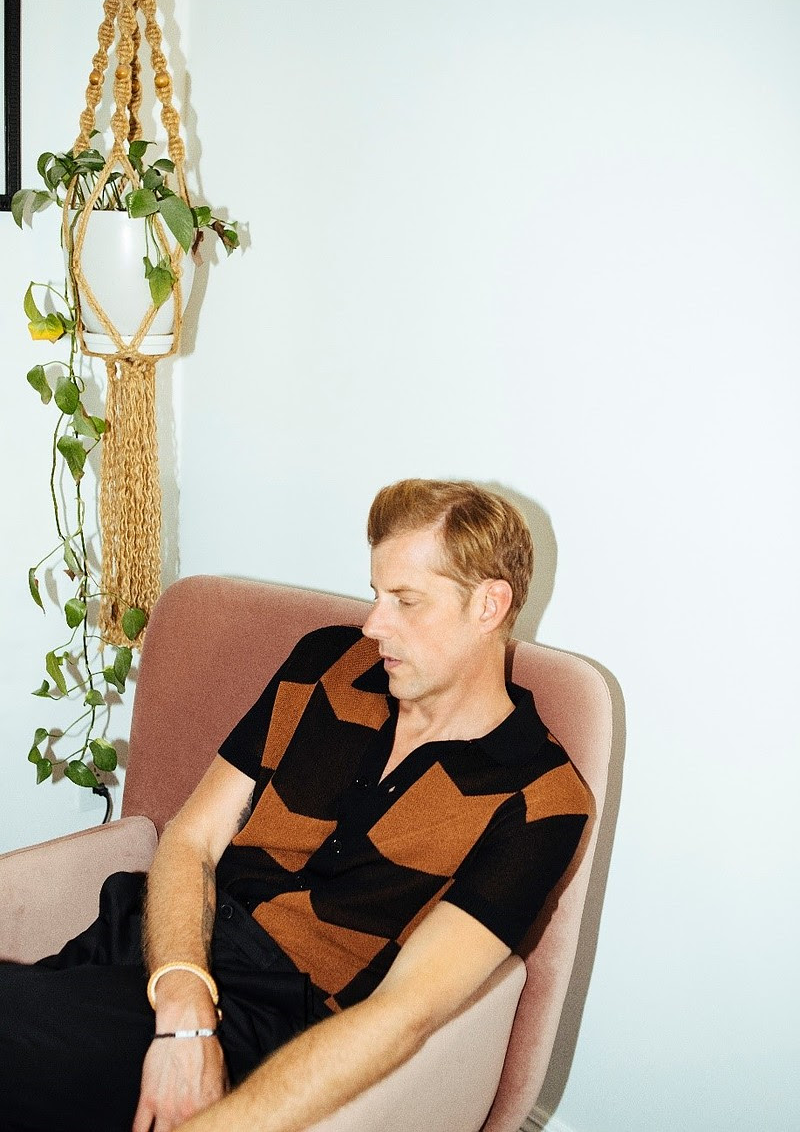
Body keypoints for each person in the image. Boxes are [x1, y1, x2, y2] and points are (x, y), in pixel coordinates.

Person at [0, 479, 591, 1132]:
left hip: (269, 1016)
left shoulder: (541, 799)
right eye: (375, 594)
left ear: (489, 605)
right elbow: (192, 839)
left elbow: (405, 1011)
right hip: (158, 946)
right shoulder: (327, 662)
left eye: (405, 600)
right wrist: (183, 1002)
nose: (373, 624)